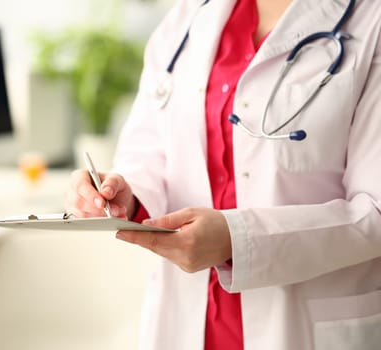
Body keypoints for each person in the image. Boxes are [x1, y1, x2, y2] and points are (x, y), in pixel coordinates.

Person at [66, 0, 381, 349]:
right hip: (189, 321)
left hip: (303, 326)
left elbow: (375, 210)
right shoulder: (189, 16)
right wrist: (125, 194)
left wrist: (237, 240)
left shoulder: (371, 19)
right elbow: (149, 151)